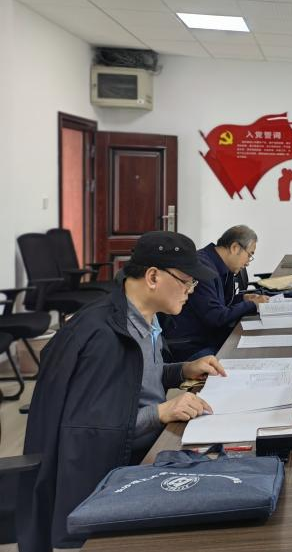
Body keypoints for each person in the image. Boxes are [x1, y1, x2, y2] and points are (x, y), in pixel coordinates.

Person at [17, 231, 226, 551]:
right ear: (153, 277)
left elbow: (135, 379)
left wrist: (183, 369)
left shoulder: (146, 320)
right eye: (186, 281)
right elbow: (87, 430)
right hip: (112, 478)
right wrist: (161, 412)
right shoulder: (103, 337)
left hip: (142, 453)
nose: (191, 290)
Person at [164, 225, 269, 361]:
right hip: (193, 347)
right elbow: (215, 317)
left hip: (210, 338)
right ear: (235, 247)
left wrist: (243, 298)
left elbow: (221, 303)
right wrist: (252, 305)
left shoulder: (220, 265)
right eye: (249, 255)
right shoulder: (203, 268)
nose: (248, 262)